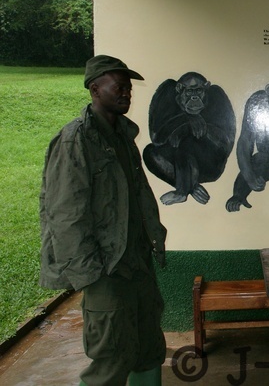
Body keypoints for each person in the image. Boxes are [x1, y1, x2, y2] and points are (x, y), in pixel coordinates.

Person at [39, 55, 167, 386]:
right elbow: (64, 215)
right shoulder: (75, 140)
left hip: (137, 262)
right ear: (95, 90)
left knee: (149, 349)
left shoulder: (123, 136)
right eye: (119, 87)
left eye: (129, 88)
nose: (127, 93)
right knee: (111, 357)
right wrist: (89, 274)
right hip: (105, 270)